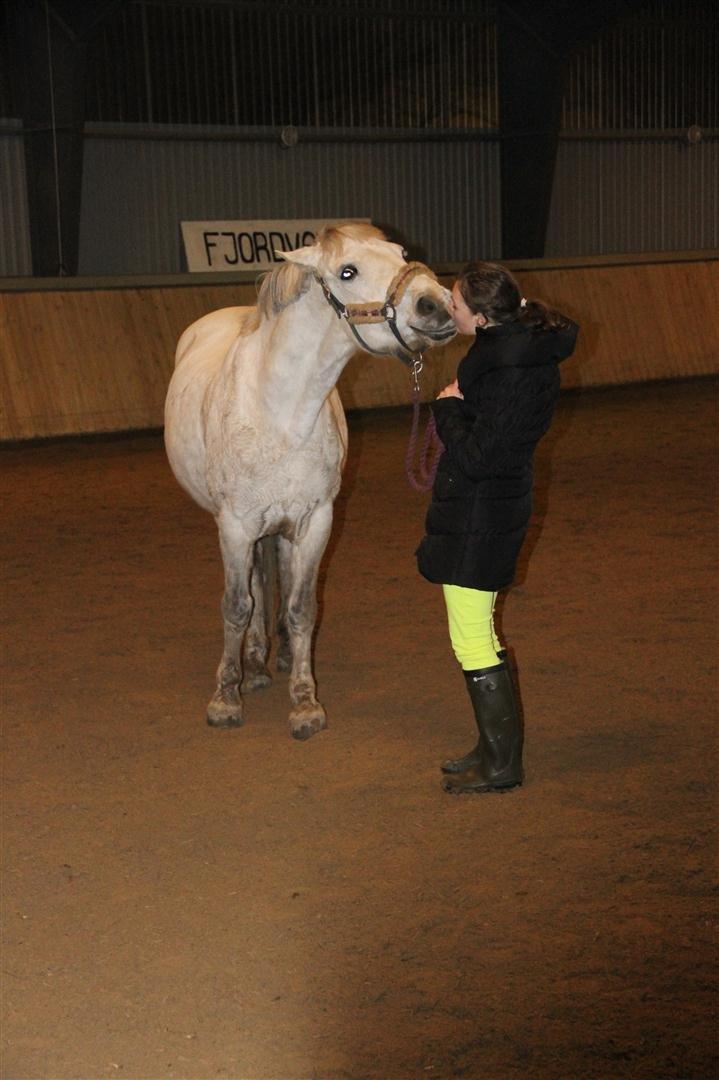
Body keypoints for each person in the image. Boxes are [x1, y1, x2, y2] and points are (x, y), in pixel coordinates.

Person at [416, 261, 579, 794]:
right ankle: (492, 748)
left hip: (481, 511)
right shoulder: (517, 351)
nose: (451, 310)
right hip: (489, 507)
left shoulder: (507, 369)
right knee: (480, 631)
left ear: (483, 318)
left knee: (470, 639)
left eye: (457, 304)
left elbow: (480, 457)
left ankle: (502, 766)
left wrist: (447, 410)